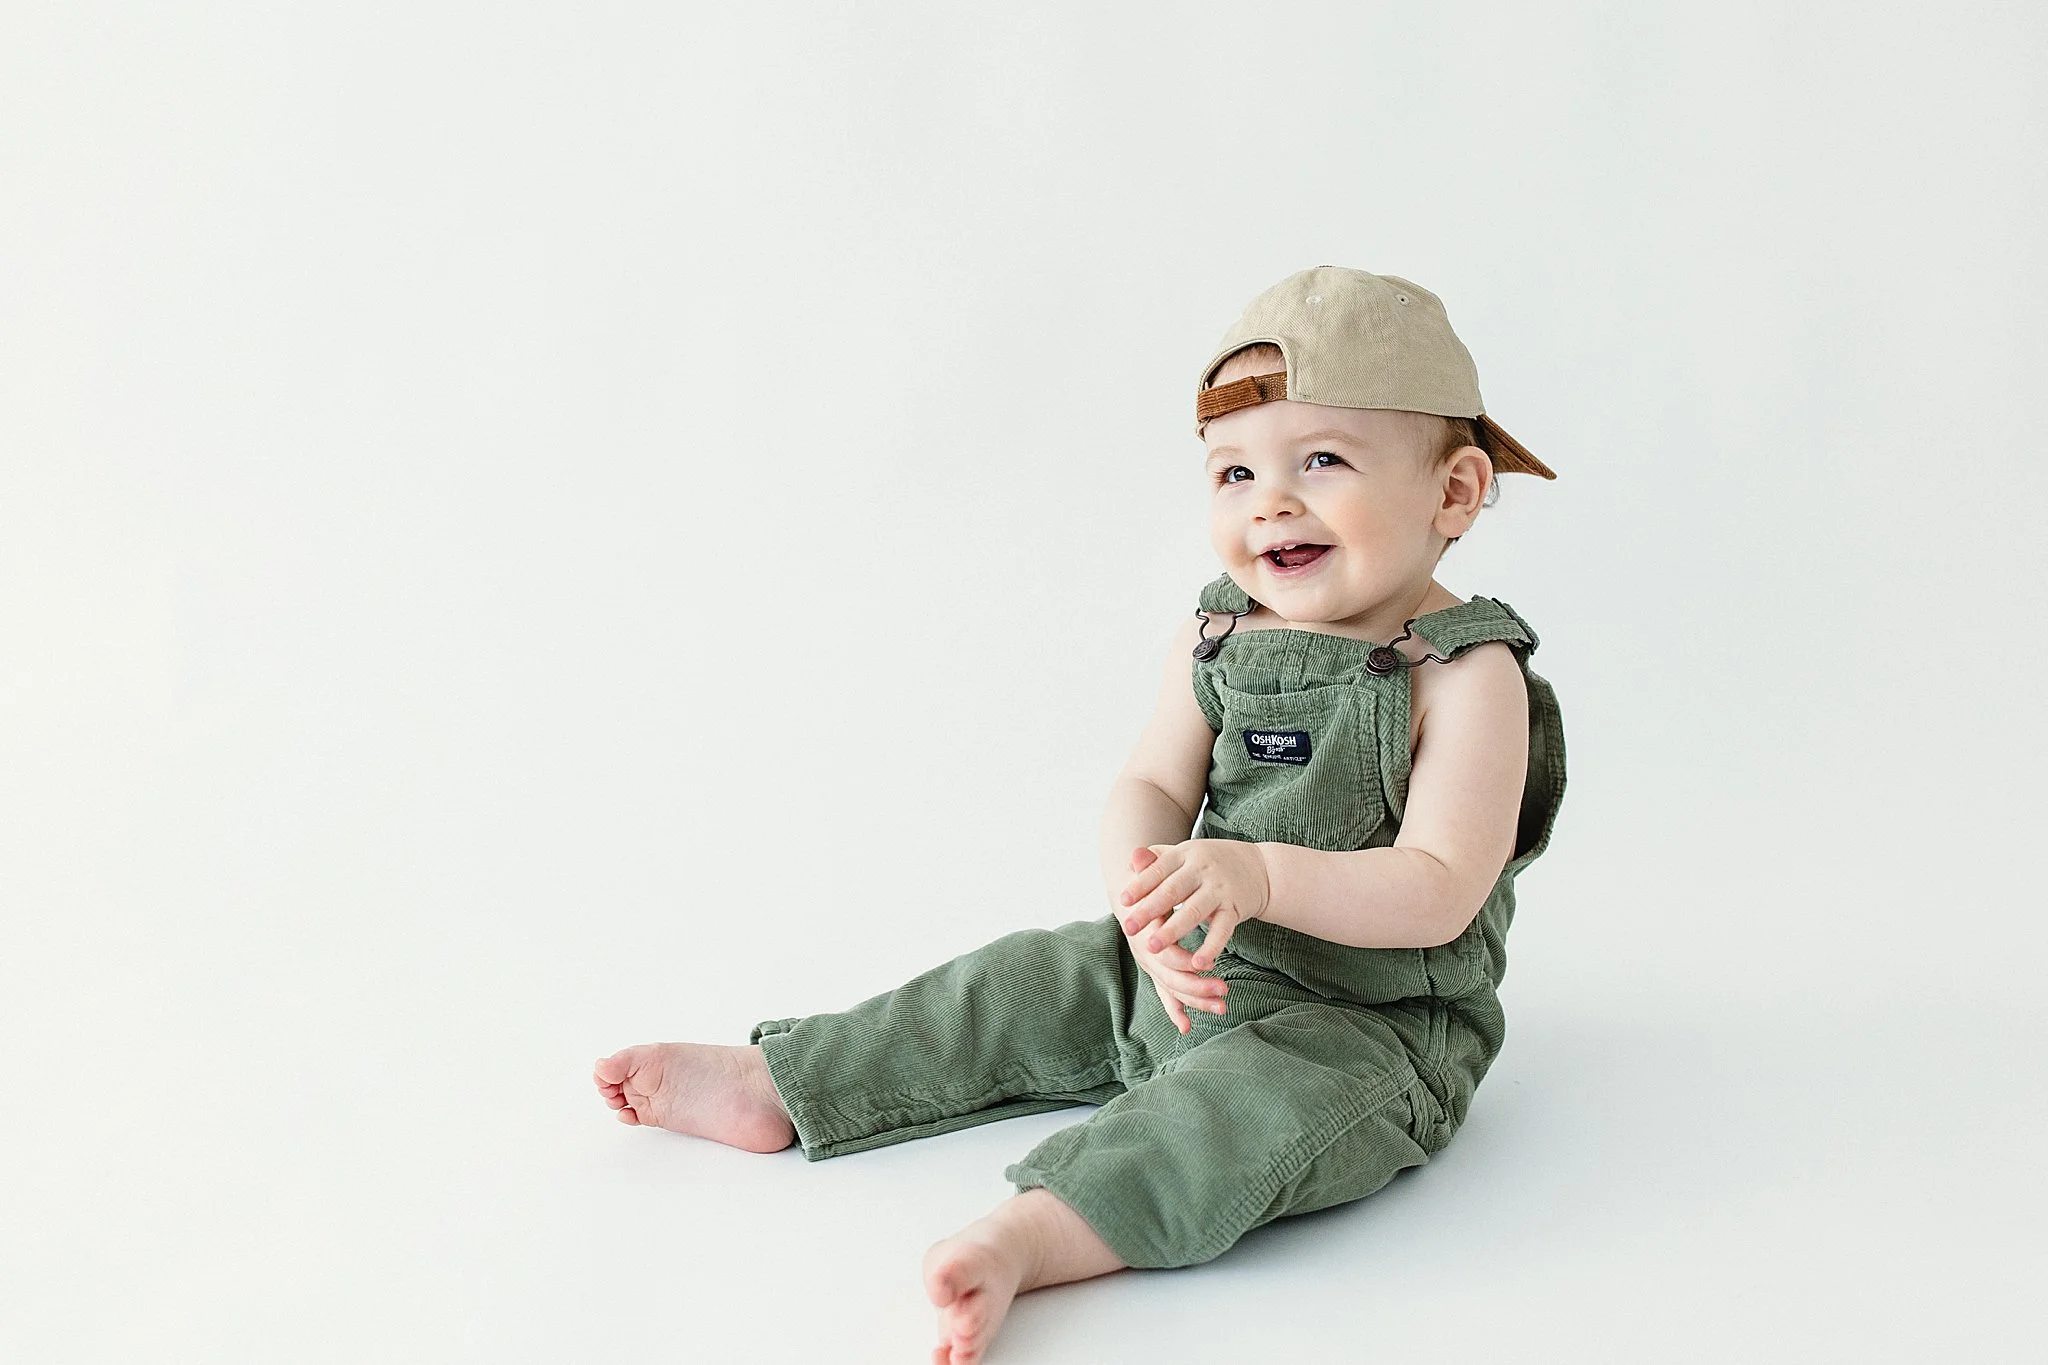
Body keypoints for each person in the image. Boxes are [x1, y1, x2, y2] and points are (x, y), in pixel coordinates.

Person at [593, 265, 1568, 1365]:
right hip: (1190, 966)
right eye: (1234, 471)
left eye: (1322, 462)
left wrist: (1258, 877)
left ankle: (1038, 1230)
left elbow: (1439, 885)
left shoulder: (1462, 672)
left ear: (1453, 491)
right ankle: (791, 1079)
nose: (1269, 502)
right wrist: (1142, 904)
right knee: (1012, 985)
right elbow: (1147, 787)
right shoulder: (1219, 632)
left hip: (1371, 1026)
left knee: (1234, 1121)